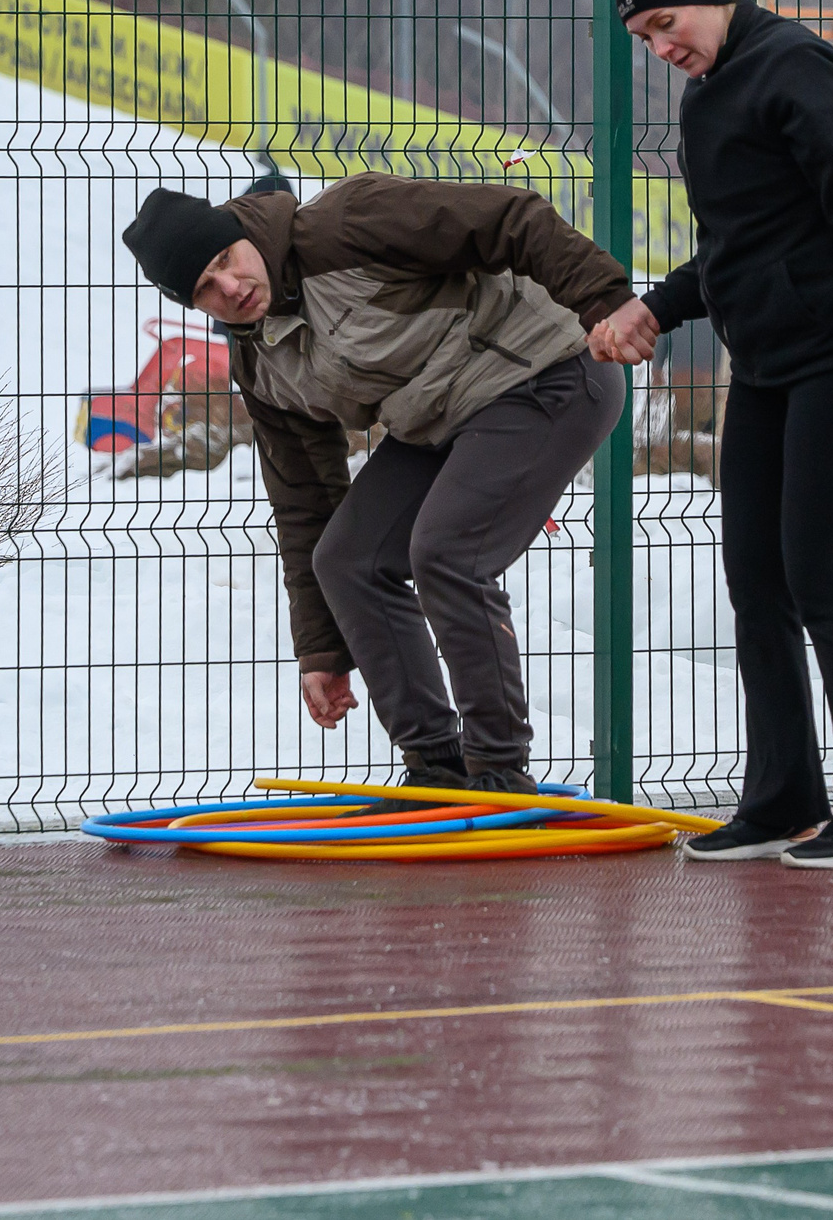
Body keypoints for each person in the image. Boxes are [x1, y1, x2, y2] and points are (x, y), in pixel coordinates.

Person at [590, 0, 833, 869]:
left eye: (669, 24)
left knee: (823, 578)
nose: (663, 48)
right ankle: (784, 795)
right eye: (646, 38)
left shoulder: (796, 67)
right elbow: (736, 249)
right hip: (770, 363)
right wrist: (653, 308)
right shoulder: (709, 98)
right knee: (755, 579)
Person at [124, 173, 632, 797]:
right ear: (193, 304)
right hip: (440, 420)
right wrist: (323, 651)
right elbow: (304, 500)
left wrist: (606, 300)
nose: (231, 287)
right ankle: (435, 770)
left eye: (226, 260)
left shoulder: (346, 225)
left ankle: (499, 772)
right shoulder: (259, 363)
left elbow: (507, 216)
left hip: (548, 373)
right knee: (347, 560)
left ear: (239, 233)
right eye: (206, 288)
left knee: (446, 553)